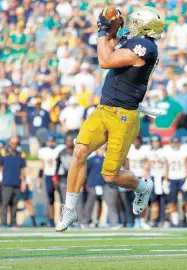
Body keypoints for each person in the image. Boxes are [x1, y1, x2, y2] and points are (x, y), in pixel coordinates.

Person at [56, 6, 165, 232]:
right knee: (79, 152)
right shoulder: (135, 40)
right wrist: (109, 30)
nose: (130, 26)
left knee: (110, 176)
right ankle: (70, 208)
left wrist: (101, 30)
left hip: (124, 117)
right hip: (104, 109)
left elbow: (105, 60)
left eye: (136, 23)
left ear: (146, 28)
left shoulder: (146, 47)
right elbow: (112, 43)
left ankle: (142, 187)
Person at [0, 136, 26, 227]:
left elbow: (23, 169)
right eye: (12, 143)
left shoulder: (21, 155)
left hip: (17, 182)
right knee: (5, 203)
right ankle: (3, 222)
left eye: (16, 143)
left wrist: (24, 182)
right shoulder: (4, 153)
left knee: (14, 204)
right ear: (9, 143)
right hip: (6, 182)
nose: (14, 145)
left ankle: (13, 222)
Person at [163, 136, 187, 227]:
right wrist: (165, 180)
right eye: (174, 142)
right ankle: (175, 222)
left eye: (177, 142)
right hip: (172, 179)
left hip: (182, 178)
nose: (175, 144)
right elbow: (167, 167)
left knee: (186, 201)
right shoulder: (168, 152)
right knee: (173, 201)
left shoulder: (184, 152)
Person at [38, 134, 65, 227]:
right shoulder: (43, 151)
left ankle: (63, 219)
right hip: (49, 175)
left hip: (60, 175)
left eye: (52, 141)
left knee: (63, 198)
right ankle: (51, 220)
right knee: (50, 200)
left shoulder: (61, 148)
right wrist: (39, 178)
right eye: (49, 141)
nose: (51, 143)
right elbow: (41, 166)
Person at [125, 136, 151, 229]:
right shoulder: (130, 150)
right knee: (133, 200)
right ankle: (136, 221)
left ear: (140, 141)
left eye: (137, 141)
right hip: (133, 177)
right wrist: (127, 178)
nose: (136, 143)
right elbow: (127, 164)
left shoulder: (145, 150)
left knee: (144, 200)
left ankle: (143, 220)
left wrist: (146, 173)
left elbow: (148, 162)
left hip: (142, 177)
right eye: (134, 141)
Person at [145, 134, 166, 228]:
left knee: (163, 199)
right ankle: (154, 218)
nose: (155, 143)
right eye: (153, 142)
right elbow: (148, 165)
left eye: (156, 141)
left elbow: (167, 165)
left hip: (162, 177)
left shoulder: (164, 151)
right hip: (153, 177)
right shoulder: (149, 152)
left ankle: (163, 219)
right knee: (153, 200)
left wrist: (166, 178)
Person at [54, 135, 75, 203]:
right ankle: (64, 212)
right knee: (64, 199)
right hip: (64, 177)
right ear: (65, 142)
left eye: (71, 141)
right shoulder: (61, 153)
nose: (69, 142)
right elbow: (57, 165)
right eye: (68, 141)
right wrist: (55, 178)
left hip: (75, 177)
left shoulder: (76, 152)